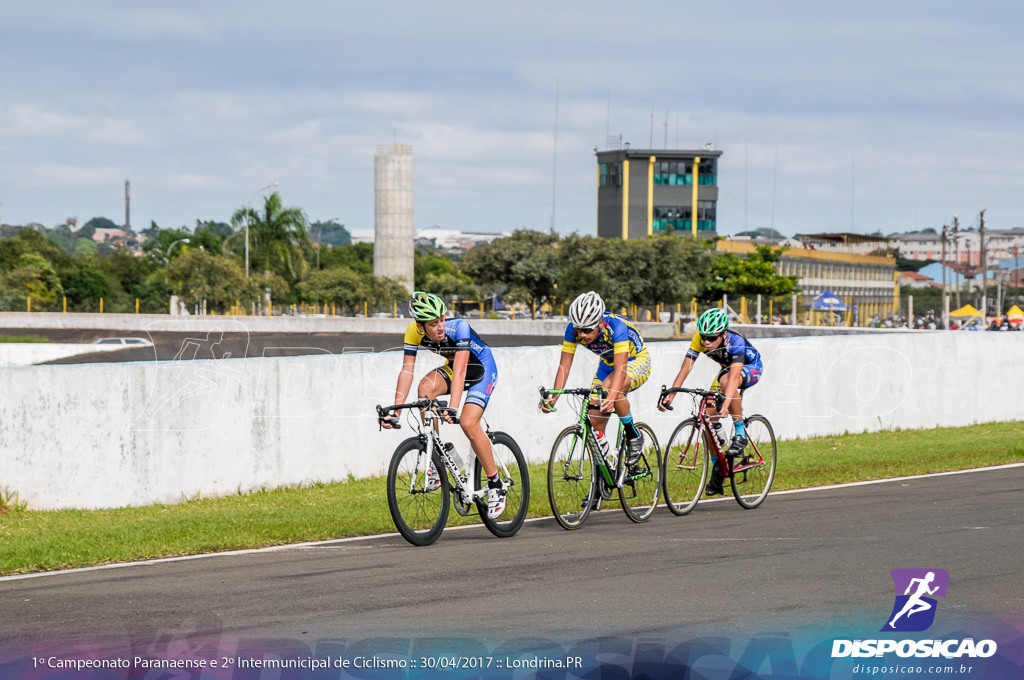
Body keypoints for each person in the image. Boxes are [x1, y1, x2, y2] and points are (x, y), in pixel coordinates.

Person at [379, 291, 506, 519]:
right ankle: (439, 457)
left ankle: (495, 484)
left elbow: (460, 371)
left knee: (467, 423)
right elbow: (406, 370)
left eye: (442, 320)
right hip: (454, 367)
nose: (440, 327)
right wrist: (396, 411)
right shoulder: (412, 332)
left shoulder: (460, 328)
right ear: (420, 327)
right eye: (433, 323)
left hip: (481, 369)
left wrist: (454, 407)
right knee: (424, 389)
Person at [538, 291, 651, 473]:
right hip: (607, 364)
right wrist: (554, 395)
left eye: (587, 330)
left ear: (599, 322)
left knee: (609, 388)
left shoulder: (616, 327)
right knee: (593, 414)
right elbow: (564, 366)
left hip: (634, 360)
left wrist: (612, 395)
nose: (582, 335)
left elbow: (621, 369)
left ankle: (633, 435)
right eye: (578, 330)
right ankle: (602, 476)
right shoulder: (572, 330)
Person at [657, 307, 763, 496]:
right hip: (727, 370)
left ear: (723, 335)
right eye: (704, 337)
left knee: (726, 385)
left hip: (749, 367)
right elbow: (685, 369)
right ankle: (718, 469)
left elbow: (733, 377)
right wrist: (672, 394)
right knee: (707, 413)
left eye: (712, 338)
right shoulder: (700, 340)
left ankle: (740, 433)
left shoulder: (736, 341)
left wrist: (727, 402)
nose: (706, 342)